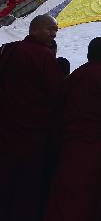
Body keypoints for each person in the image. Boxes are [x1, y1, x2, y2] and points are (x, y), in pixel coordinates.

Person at [44, 37, 101, 221]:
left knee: (66, 187)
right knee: (87, 190)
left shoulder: (77, 74)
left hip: (71, 140)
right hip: (95, 142)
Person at [0, 15, 64, 221]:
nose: (54, 34)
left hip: (7, 126)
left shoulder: (8, 49)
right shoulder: (44, 56)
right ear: (34, 30)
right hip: (31, 131)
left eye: (55, 31)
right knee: (25, 184)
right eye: (50, 29)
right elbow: (55, 93)